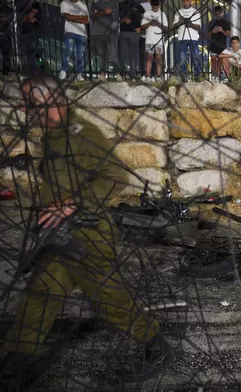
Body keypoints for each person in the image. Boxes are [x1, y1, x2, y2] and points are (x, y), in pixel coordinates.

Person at [0, 74, 175, 388]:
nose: (28, 110)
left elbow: (115, 177)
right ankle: (14, 365)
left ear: (56, 100)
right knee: (40, 296)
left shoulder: (83, 133)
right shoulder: (53, 136)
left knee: (109, 299)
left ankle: (156, 345)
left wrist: (70, 204)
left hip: (88, 234)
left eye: (33, 103)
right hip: (61, 233)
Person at [90, 0, 121, 81]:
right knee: (101, 55)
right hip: (98, 33)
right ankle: (102, 75)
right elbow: (92, 15)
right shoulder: (95, 4)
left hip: (111, 33)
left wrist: (99, 13)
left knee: (113, 55)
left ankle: (117, 74)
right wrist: (104, 12)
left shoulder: (114, 3)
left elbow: (115, 16)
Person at [59, 0, 89, 81]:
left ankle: (79, 74)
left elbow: (86, 20)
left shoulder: (83, 5)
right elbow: (67, 17)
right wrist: (80, 17)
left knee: (80, 55)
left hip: (81, 33)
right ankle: (63, 70)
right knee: (68, 50)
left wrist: (72, 17)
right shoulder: (64, 3)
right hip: (69, 31)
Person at [138, 0, 168, 82]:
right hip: (149, 40)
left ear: (159, 5)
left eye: (156, 6)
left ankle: (158, 76)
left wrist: (158, 24)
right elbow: (142, 27)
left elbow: (166, 28)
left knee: (158, 58)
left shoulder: (162, 14)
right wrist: (150, 23)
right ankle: (148, 75)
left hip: (159, 40)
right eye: (154, 6)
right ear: (151, 5)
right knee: (149, 58)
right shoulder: (147, 13)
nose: (155, 8)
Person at [172, 0, 202, 81]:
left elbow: (198, 26)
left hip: (193, 38)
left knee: (195, 57)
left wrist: (190, 24)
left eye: (187, 1)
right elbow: (174, 26)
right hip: (182, 38)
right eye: (184, 1)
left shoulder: (195, 12)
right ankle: (184, 77)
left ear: (190, 2)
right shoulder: (179, 12)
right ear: (182, 2)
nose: (186, 2)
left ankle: (197, 76)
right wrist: (180, 22)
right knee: (182, 58)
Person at [118, 0, 146, 80]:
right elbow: (115, 18)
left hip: (134, 33)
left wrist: (140, 27)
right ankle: (122, 74)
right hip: (123, 33)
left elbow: (143, 16)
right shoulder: (120, 5)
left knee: (133, 55)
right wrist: (122, 20)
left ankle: (133, 74)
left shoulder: (138, 6)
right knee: (122, 55)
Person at [206, 5, 231, 83]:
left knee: (223, 61)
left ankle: (228, 78)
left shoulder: (226, 22)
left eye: (219, 13)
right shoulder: (211, 22)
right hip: (213, 45)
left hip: (222, 46)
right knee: (213, 62)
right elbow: (207, 35)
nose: (218, 14)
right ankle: (215, 78)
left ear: (222, 13)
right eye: (216, 13)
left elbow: (228, 34)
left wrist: (222, 30)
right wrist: (212, 31)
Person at [17, 0, 42, 72]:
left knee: (33, 51)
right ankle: (31, 69)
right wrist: (27, 17)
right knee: (27, 52)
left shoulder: (34, 4)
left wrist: (26, 17)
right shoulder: (22, 4)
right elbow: (21, 18)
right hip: (25, 31)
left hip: (33, 31)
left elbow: (29, 16)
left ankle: (34, 70)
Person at [0, 4, 13, 75]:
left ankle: (6, 71)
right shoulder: (8, 10)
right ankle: (6, 71)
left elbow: (9, 18)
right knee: (6, 53)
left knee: (6, 53)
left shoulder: (8, 10)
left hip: (5, 33)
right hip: (5, 33)